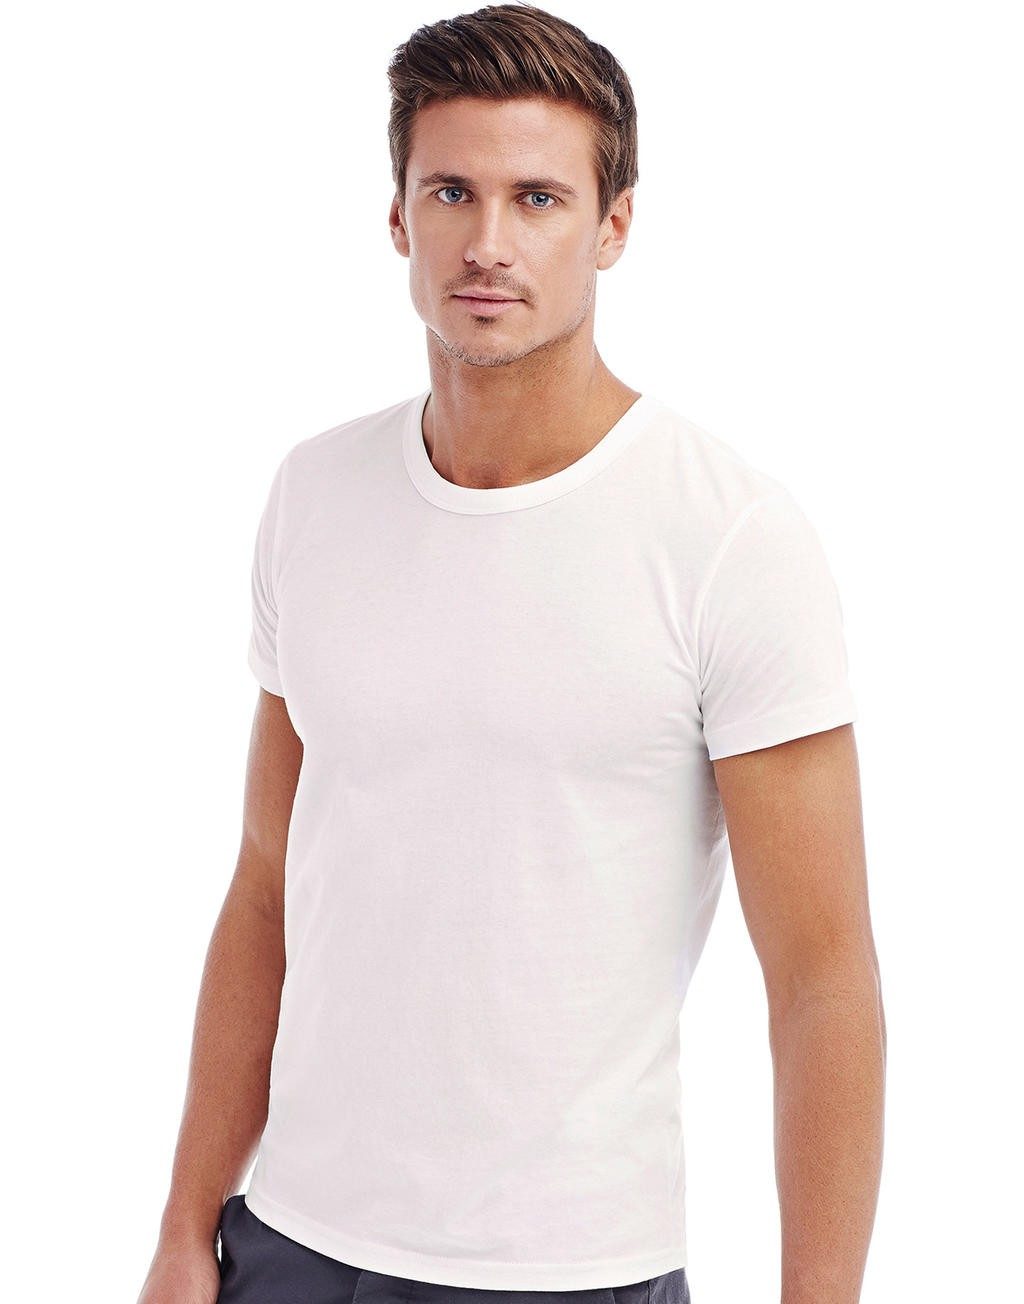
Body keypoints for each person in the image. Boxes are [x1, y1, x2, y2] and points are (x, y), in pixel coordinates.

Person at [137, 5, 886, 1303]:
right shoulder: (315, 494)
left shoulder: (728, 539)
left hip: (570, 1271)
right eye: (452, 192)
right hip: (290, 1244)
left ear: (613, 225)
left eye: (538, 198)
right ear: (397, 217)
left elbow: (822, 981)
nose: (488, 242)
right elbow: (266, 884)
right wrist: (180, 1227)